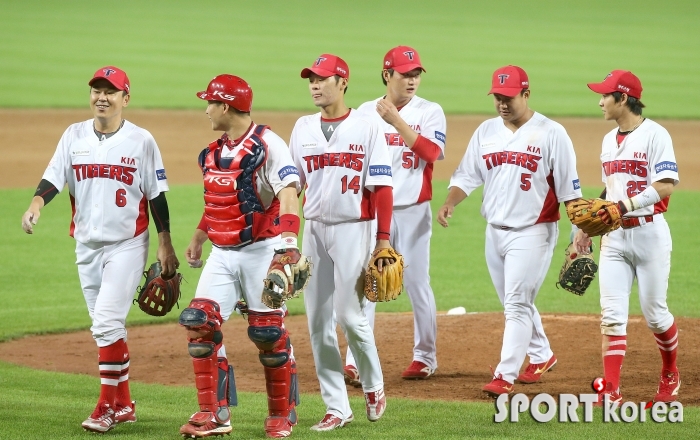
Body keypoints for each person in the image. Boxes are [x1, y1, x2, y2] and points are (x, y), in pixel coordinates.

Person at [21, 66, 180, 433]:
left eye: (110, 91)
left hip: (128, 244)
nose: (101, 97)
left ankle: (105, 407)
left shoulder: (142, 141)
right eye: (96, 90)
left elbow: (156, 195)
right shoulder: (73, 135)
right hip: (86, 246)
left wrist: (165, 242)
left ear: (126, 98)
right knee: (106, 327)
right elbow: (53, 176)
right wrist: (35, 205)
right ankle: (125, 404)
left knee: (106, 323)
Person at [437, 65, 583, 397]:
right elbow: (467, 175)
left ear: (526, 95)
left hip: (534, 232)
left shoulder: (551, 133)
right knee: (514, 301)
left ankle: (505, 375)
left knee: (517, 303)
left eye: (509, 97)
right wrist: (450, 202)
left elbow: (569, 190)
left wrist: (579, 232)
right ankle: (543, 354)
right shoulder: (486, 131)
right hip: (495, 232)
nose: (502, 104)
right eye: (498, 98)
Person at [177, 75, 303, 439]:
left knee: (268, 335)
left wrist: (289, 243)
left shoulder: (268, 144)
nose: (206, 110)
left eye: (211, 104)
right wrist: (200, 237)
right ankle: (213, 414)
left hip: (262, 251)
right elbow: (222, 203)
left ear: (227, 107)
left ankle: (282, 414)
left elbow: (290, 190)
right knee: (199, 324)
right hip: (222, 253)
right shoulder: (215, 151)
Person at [289, 54, 394, 431]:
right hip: (314, 229)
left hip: (355, 228)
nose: (315, 85)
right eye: (311, 80)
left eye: (322, 79)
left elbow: (382, 187)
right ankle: (337, 407)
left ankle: (374, 384)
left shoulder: (367, 127)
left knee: (349, 315)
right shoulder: (302, 128)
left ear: (343, 82)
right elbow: (293, 185)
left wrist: (383, 241)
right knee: (317, 322)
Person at [344, 45, 445, 385]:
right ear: (388, 75)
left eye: (416, 73)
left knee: (417, 283)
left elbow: (432, 152)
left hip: (414, 213)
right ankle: (355, 361)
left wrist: (397, 121)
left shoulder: (430, 111)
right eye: (405, 74)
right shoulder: (362, 112)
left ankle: (425, 357)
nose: (412, 79)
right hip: (373, 214)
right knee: (367, 282)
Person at [578, 70, 680, 403]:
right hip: (615, 239)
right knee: (611, 315)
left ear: (623, 99)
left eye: (605, 96)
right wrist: (586, 226)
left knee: (655, 314)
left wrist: (624, 205)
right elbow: (610, 189)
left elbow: (665, 185)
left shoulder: (656, 135)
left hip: (650, 234)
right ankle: (610, 390)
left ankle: (669, 373)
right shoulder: (609, 140)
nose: (600, 101)